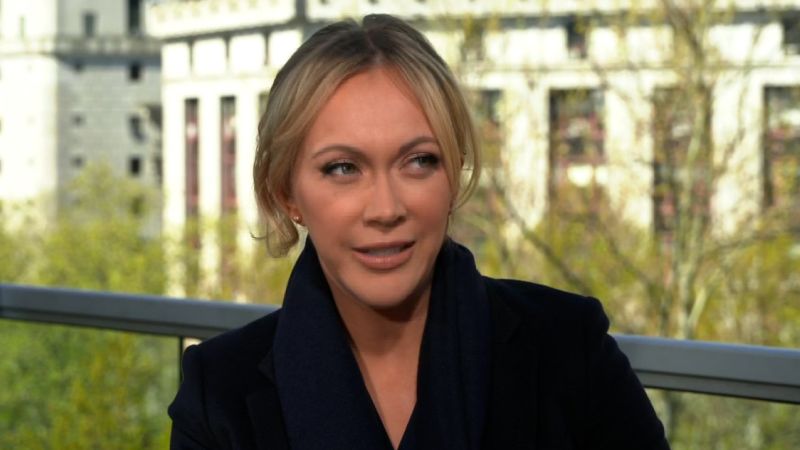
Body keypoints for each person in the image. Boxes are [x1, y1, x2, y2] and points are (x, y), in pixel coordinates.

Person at [168, 14, 670, 450]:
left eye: (419, 161)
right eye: (343, 168)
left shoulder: (569, 347)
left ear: (453, 173)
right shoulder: (219, 392)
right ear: (286, 194)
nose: (386, 208)